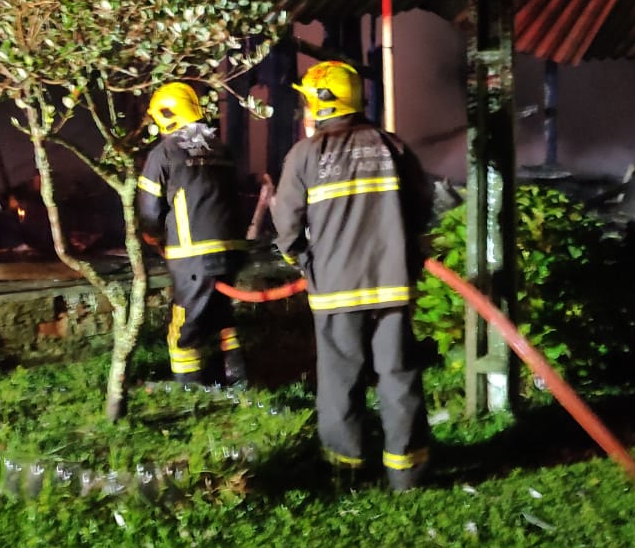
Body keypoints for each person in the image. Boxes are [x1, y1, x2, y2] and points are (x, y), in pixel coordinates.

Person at [270, 60, 435, 491]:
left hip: (335, 289)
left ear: (320, 105)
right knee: (398, 377)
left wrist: (301, 260)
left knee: (340, 381)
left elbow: (286, 222)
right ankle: (407, 475)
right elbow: (422, 206)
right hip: (392, 284)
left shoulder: (306, 155)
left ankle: (345, 472)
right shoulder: (391, 146)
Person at [136, 82, 249, 386]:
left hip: (192, 255)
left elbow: (149, 210)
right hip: (231, 250)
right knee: (222, 314)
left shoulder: (165, 152)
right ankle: (237, 378)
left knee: (184, 326)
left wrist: (152, 236)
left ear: (167, 115)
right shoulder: (221, 148)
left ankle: (188, 386)